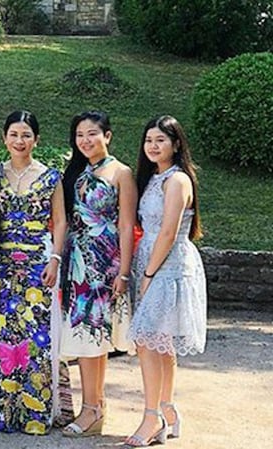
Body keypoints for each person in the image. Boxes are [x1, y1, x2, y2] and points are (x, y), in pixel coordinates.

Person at [0, 110, 73, 435]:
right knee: (9, 338)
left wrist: (55, 259)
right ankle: (8, 412)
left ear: (36, 139)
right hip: (6, 267)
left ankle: (37, 413)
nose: (19, 141)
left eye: (26, 135)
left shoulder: (51, 176)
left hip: (39, 263)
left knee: (39, 339)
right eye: (14, 134)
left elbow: (61, 222)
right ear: (4, 138)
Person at [123, 115, 207, 447]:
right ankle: (168, 410)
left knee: (147, 340)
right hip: (152, 259)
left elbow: (169, 232)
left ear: (176, 144)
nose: (153, 146)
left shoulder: (178, 181)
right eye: (149, 140)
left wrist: (147, 274)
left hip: (169, 266)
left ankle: (151, 417)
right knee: (160, 341)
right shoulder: (154, 178)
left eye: (161, 140)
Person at [59, 110, 137, 438]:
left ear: (107, 135)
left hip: (104, 265)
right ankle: (94, 407)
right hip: (77, 261)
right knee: (86, 337)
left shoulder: (121, 173)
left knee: (93, 335)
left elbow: (126, 225)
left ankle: (92, 409)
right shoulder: (77, 172)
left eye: (92, 133)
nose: (85, 140)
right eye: (79, 135)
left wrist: (123, 272)